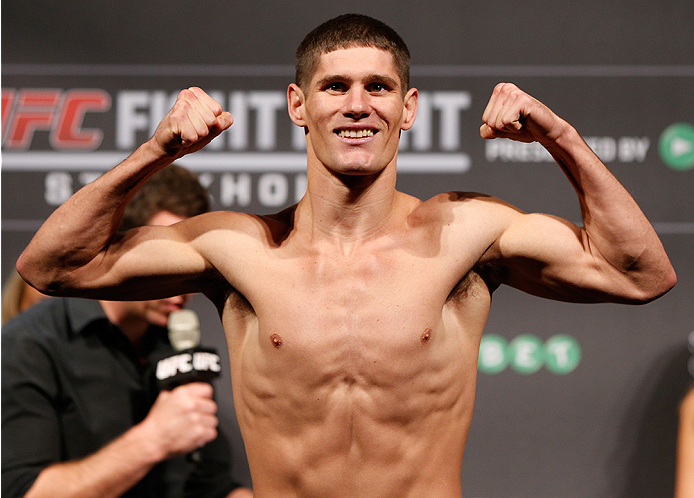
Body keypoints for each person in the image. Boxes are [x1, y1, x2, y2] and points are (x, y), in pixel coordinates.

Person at [15, 13, 676, 497]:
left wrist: (560, 137)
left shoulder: (466, 234)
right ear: (298, 105)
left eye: (378, 88)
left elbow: (639, 272)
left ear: (409, 107)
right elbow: (52, 267)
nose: (358, 105)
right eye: (334, 87)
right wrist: (157, 150)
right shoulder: (238, 249)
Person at [2, 165, 253, 498]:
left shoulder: (176, 346)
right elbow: (24, 493)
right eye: (164, 262)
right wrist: (153, 440)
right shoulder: (30, 344)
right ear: (121, 246)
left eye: (190, 265)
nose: (179, 288)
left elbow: (214, 488)